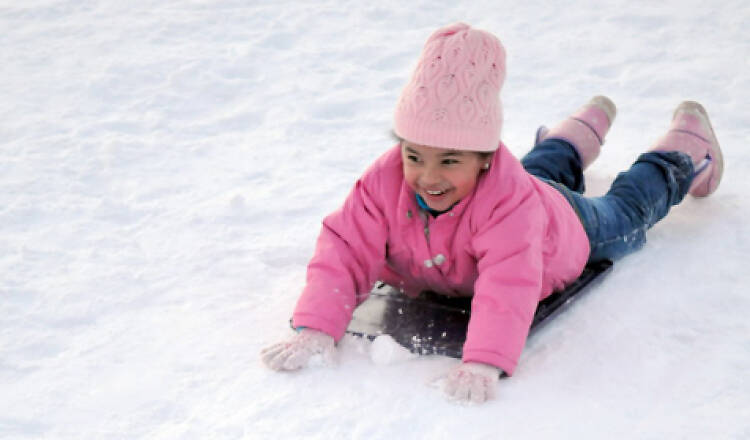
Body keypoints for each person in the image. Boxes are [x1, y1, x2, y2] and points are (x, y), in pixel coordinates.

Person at [260, 22, 723, 404]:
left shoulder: (509, 204)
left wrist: (484, 358)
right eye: (415, 155)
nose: (428, 176)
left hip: (564, 226)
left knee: (624, 212)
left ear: (485, 158)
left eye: (449, 160)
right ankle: (576, 134)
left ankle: (680, 153)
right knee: (536, 171)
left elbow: (509, 280)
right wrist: (316, 328)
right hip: (528, 186)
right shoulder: (383, 182)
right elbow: (345, 247)